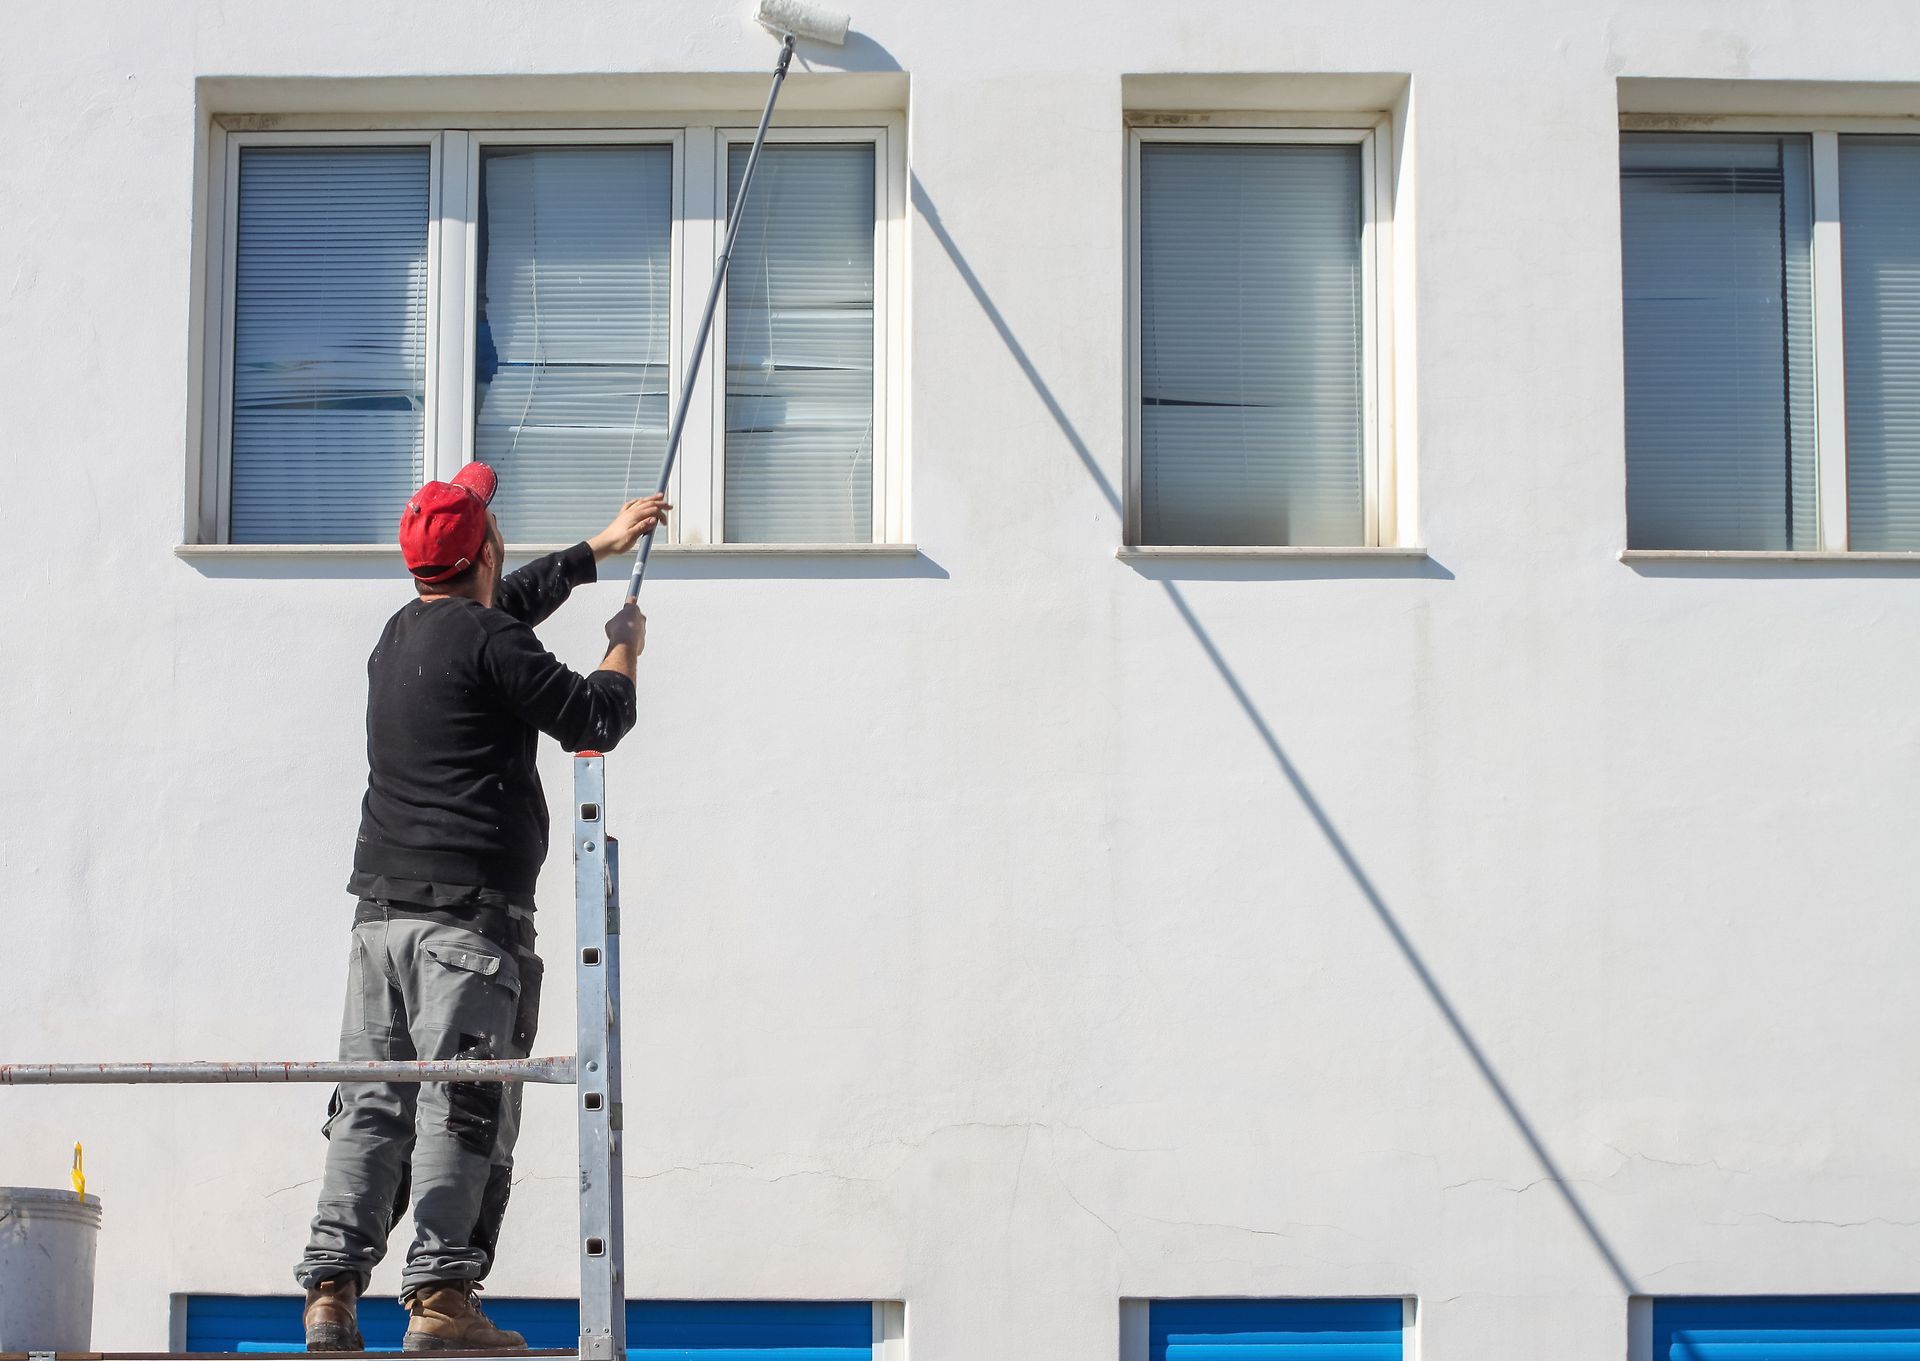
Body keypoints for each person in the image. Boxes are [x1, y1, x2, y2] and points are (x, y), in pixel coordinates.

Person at [295, 461, 668, 1351]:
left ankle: (332, 1292)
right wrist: (625, 646)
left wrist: (592, 550)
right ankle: (442, 1302)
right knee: (462, 1106)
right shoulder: (492, 642)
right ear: (488, 549)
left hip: (379, 922)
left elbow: (498, 617)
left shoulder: (401, 634)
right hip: (469, 925)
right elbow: (592, 720)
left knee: (371, 1104)